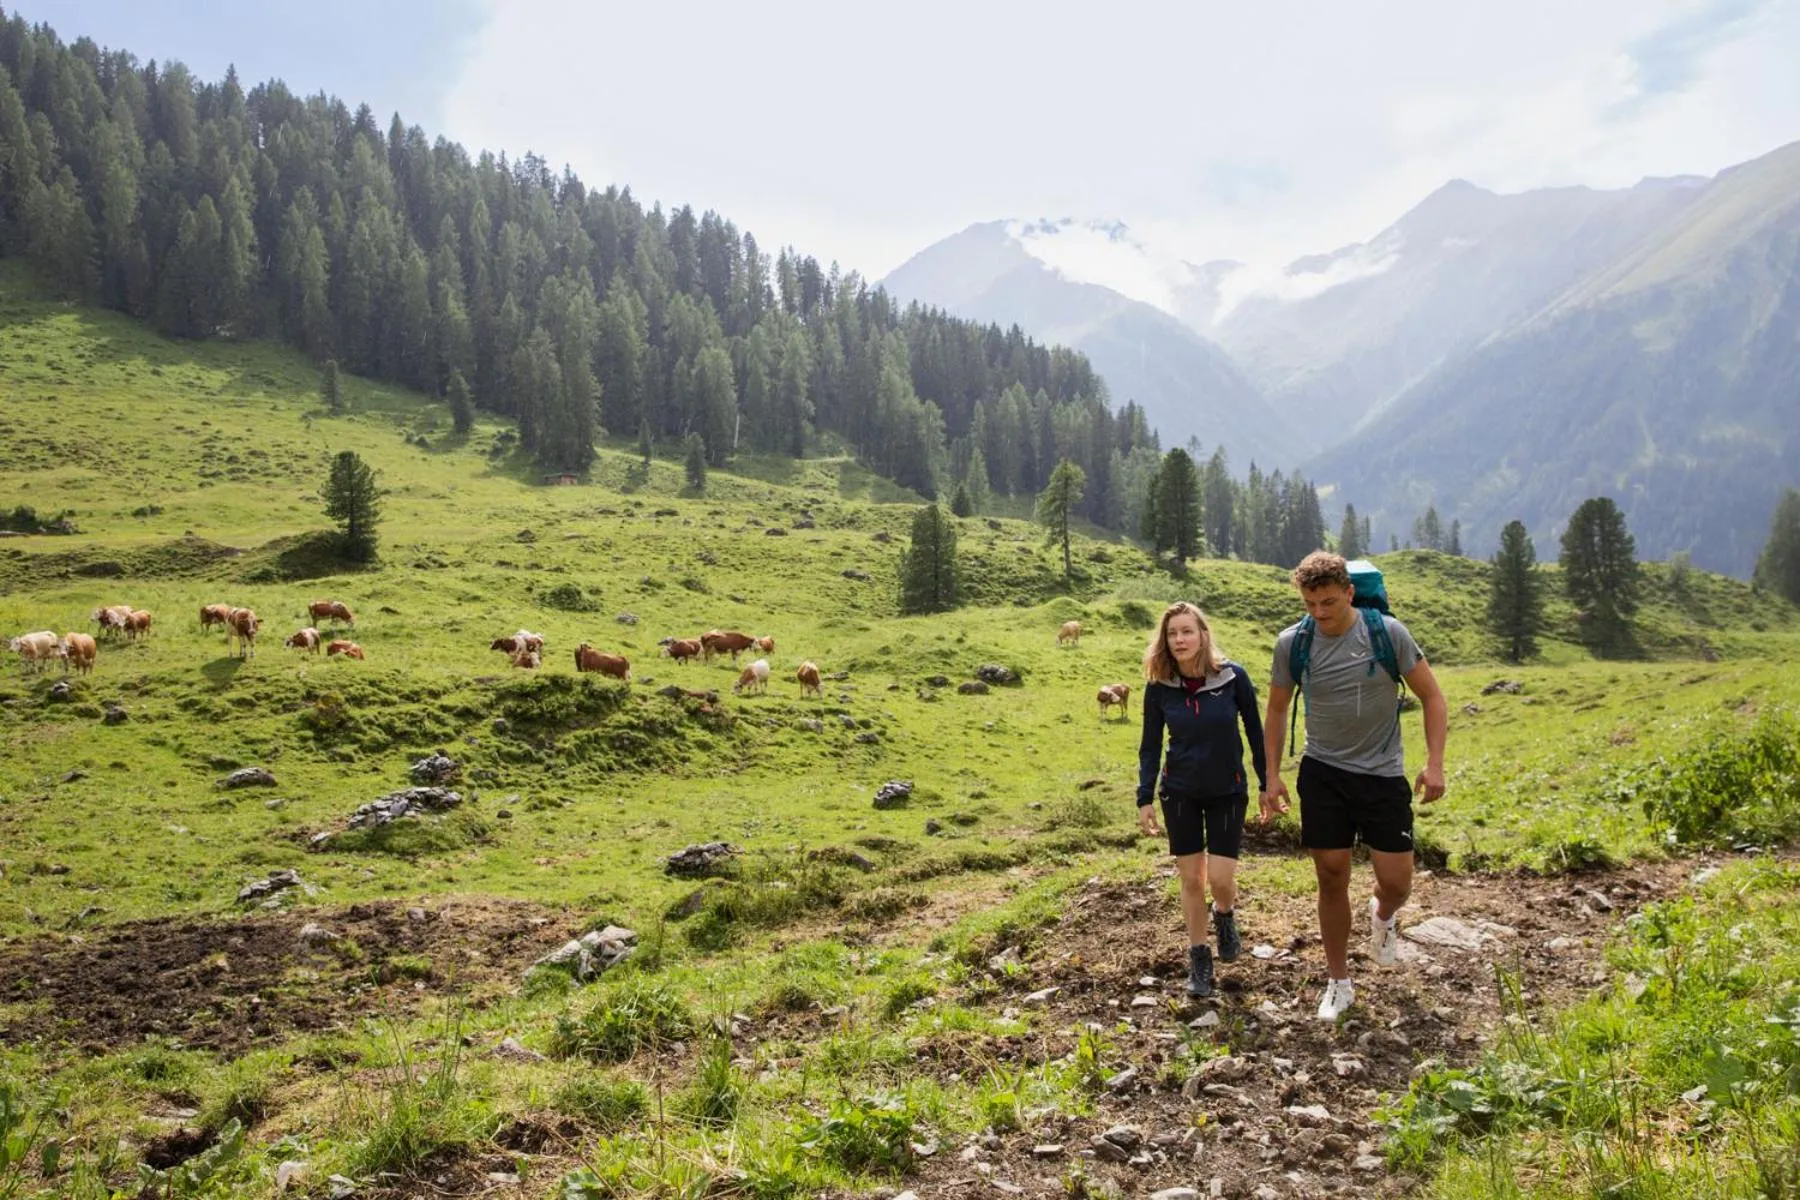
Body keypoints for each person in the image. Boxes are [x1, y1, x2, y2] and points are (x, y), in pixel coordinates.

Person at [1259, 551, 1447, 1021]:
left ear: (1349, 593)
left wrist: (1435, 764)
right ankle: (1338, 981)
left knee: (1397, 883)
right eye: (1309, 604)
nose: (1319, 613)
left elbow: (1432, 696)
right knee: (1331, 875)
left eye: (1328, 603)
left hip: (1382, 774)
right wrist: (1271, 776)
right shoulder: (1294, 643)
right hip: (1323, 772)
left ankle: (1383, 915)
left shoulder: (1388, 634)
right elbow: (1277, 708)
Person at [1136, 601, 1268, 998]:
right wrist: (1145, 797)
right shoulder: (1159, 686)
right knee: (1191, 879)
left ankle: (1224, 914)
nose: (1179, 639)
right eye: (1172, 633)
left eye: (1187, 631)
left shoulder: (1232, 677)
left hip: (1228, 789)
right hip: (1180, 792)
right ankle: (1199, 959)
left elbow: (1256, 732)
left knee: (1221, 880)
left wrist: (1267, 783)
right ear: (1165, 640)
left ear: (1203, 635)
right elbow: (1150, 745)